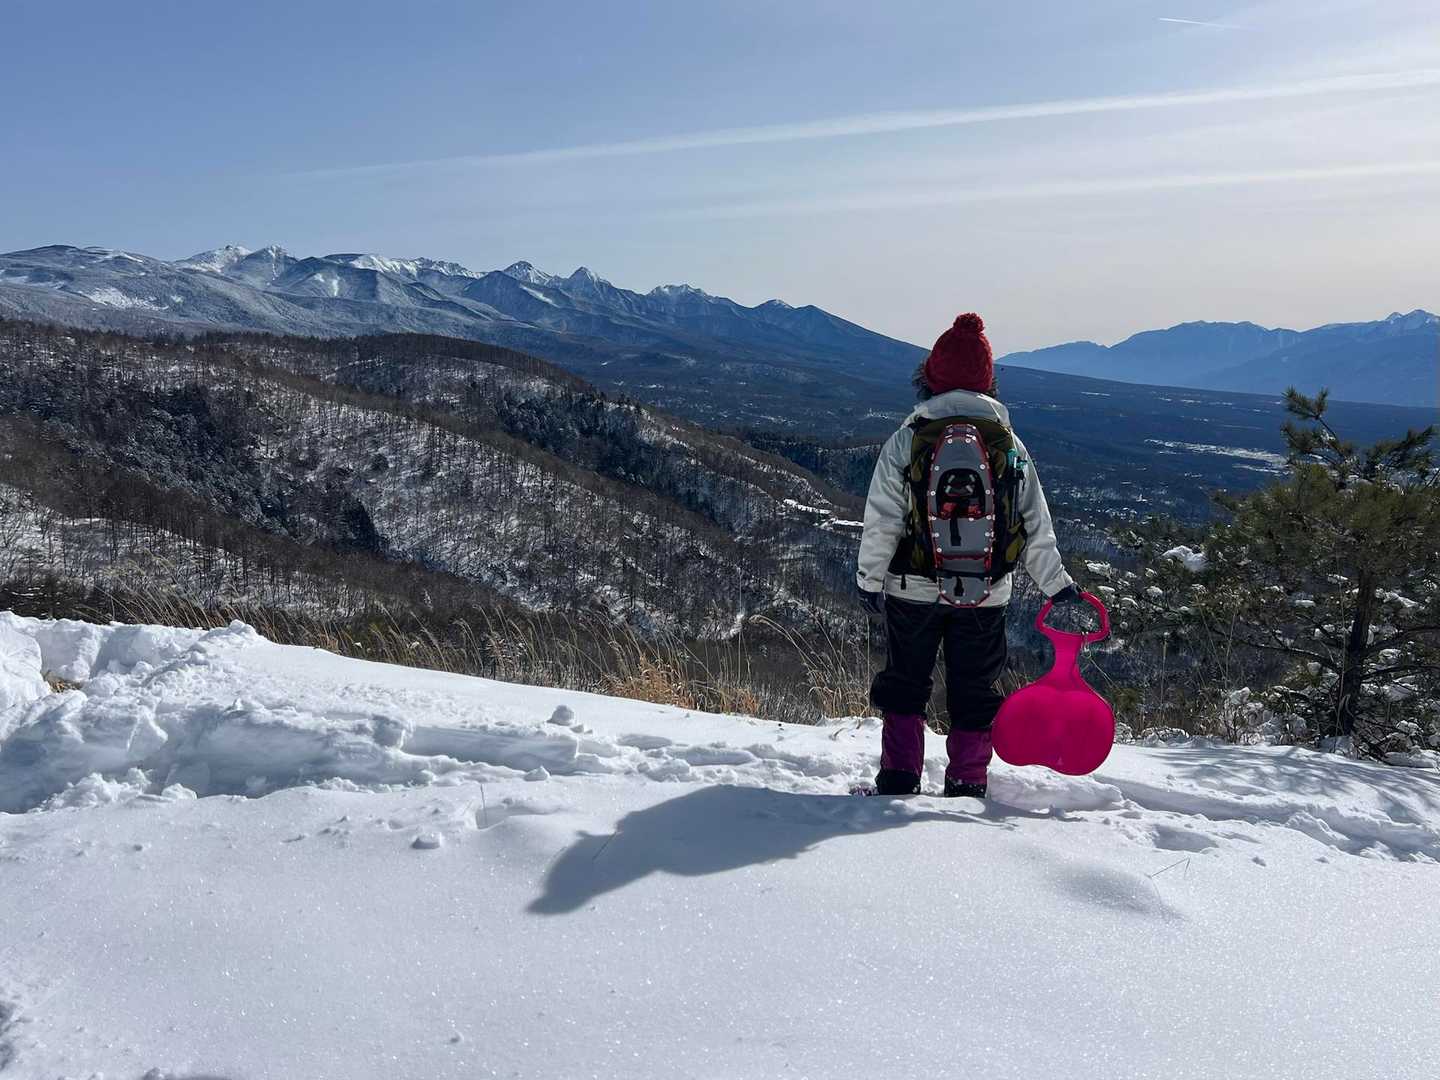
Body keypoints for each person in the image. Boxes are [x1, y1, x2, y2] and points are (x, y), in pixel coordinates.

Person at [855, 312, 1080, 798]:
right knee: (975, 689)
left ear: (929, 378)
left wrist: (869, 579)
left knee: (905, 683)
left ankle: (898, 780)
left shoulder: (909, 438)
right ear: (988, 382)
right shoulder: (1008, 444)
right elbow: (1035, 523)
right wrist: (1056, 583)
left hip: (911, 589)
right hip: (986, 592)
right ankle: (967, 782)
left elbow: (883, 519)